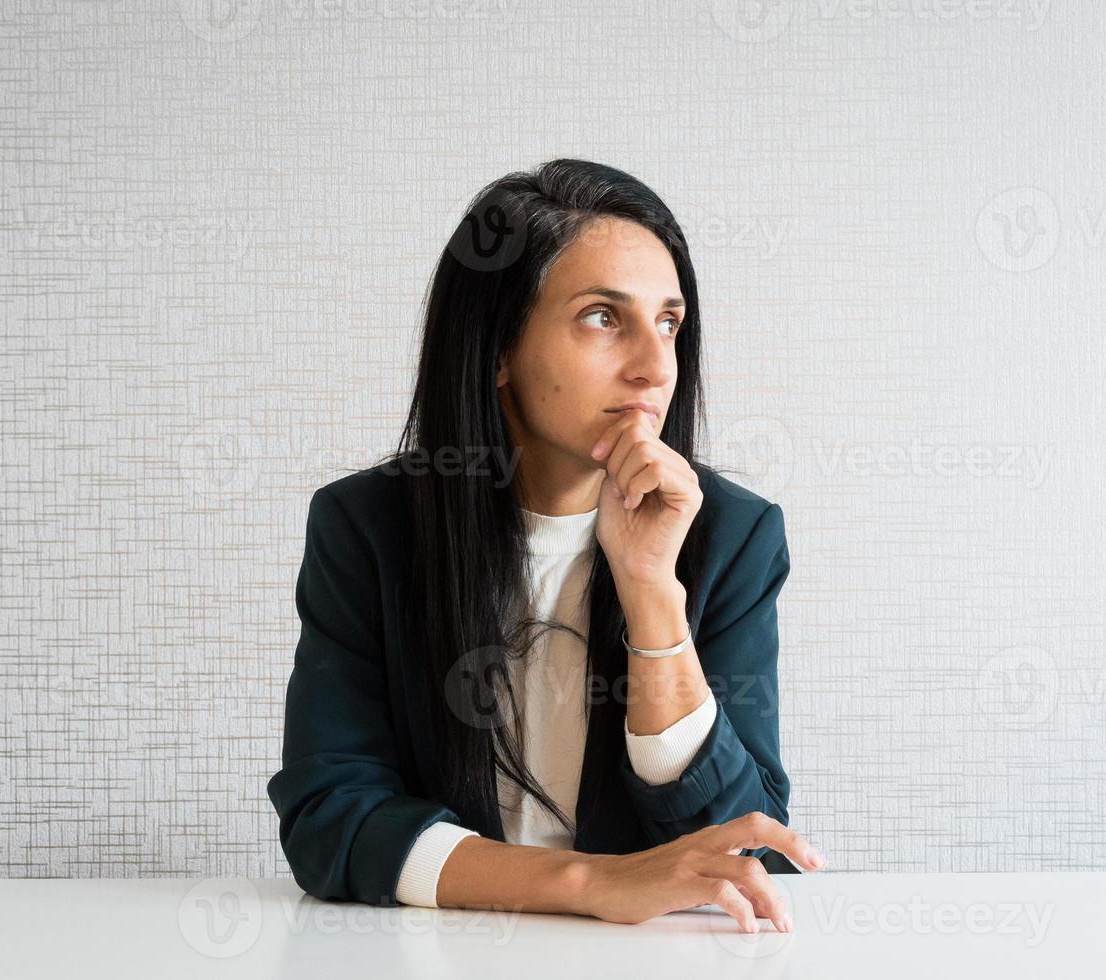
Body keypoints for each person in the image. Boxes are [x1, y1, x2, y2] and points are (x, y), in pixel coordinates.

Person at [267, 158, 827, 935]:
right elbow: (332, 820)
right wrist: (590, 881)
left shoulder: (731, 534)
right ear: (498, 350)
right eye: (604, 317)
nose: (655, 365)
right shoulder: (367, 527)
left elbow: (749, 852)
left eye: (668, 321)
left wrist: (651, 589)